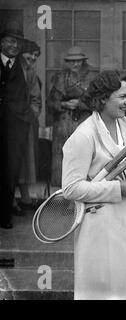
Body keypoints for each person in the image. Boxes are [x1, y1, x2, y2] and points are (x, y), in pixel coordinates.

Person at [62, 70, 126, 300]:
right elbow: (71, 188)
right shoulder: (83, 136)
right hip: (100, 229)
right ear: (103, 98)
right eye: (122, 97)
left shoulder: (123, 125)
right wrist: (119, 189)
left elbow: (122, 166)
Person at [0, 23, 35, 229]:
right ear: (1, 42)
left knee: (10, 171)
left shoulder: (26, 68)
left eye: (18, 42)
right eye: (11, 41)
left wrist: (29, 116)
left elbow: (34, 97)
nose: (15, 46)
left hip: (16, 127)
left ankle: (4, 217)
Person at [46, 46, 95, 187]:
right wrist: (64, 104)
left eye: (78, 61)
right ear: (67, 62)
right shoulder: (59, 78)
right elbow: (50, 102)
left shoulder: (91, 79)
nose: (75, 64)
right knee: (62, 158)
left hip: (82, 122)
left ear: (83, 61)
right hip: (63, 125)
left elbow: (98, 102)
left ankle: (81, 191)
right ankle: (60, 195)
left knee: (82, 157)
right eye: (72, 61)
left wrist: (80, 103)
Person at [14, 40, 42, 213]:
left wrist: (30, 115)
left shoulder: (31, 72)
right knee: (10, 162)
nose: (32, 57)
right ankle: (10, 201)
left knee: (25, 161)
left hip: (25, 122)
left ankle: (25, 198)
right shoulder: (9, 70)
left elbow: (36, 99)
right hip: (9, 123)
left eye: (35, 55)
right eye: (29, 53)